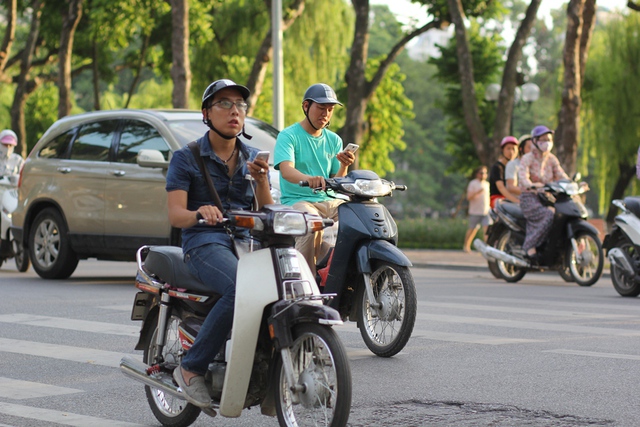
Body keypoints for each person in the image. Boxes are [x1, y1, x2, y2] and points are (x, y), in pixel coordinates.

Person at [165, 79, 273, 408]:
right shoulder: (186, 157)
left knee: (281, 289)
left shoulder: (253, 157)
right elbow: (176, 216)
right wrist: (199, 212)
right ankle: (191, 367)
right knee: (242, 289)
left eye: (240, 105)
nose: (234, 111)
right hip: (203, 242)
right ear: (206, 114)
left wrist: (261, 179)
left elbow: (265, 211)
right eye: (224, 104)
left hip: (244, 242)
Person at [274, 83, 355, 275]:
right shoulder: (288, 135)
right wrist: (310, 179)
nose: (325, 114)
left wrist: (344, 165)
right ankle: (305, 284)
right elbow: (286, 170)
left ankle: (348, 271)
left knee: (360, 216)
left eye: (330, 109)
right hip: (298, 201)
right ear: (305, 106)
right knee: (312, 225)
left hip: (329, 200)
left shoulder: (334, 139)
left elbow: (337, 179)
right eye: (321, 108)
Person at [517, 125, 569, 265]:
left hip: (547, 197)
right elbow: (522, 175)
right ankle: (529, 246)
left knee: (562, 215)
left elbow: (561, 175)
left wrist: (575, 184)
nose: (547, 142)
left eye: (549, 139)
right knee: (548, 215)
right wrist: (530, 184)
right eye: (543, 139)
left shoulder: (551, 159)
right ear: (534, 141)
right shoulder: (528, 158)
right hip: (530, 197)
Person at [463, 166, 491, 253]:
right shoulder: (473, 183)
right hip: (475, 211)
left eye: (485, 173)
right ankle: (466, 245)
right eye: (481, 173)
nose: (483, 175)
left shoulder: (487, 184)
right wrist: (477, 192)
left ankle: (487, 248)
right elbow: (469, 197)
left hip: (486, 211)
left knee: (487, 230)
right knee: (472, 229)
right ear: (477, 174)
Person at [489, 136, 519, 207]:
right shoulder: (497, 167)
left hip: (511, 198)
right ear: (502, 150)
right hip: (498, 199)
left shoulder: (516, 167)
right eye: (508, 148)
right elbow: (501, 188)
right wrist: (516, 201)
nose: (511, 152)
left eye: (514, 149)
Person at [505, 134, 533, 199]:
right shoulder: (512, 164)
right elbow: (511, 187)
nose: (532, 151)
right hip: (518, 202)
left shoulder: (536, 165)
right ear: (521, 149)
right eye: (529, 148)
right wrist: (533, 192)